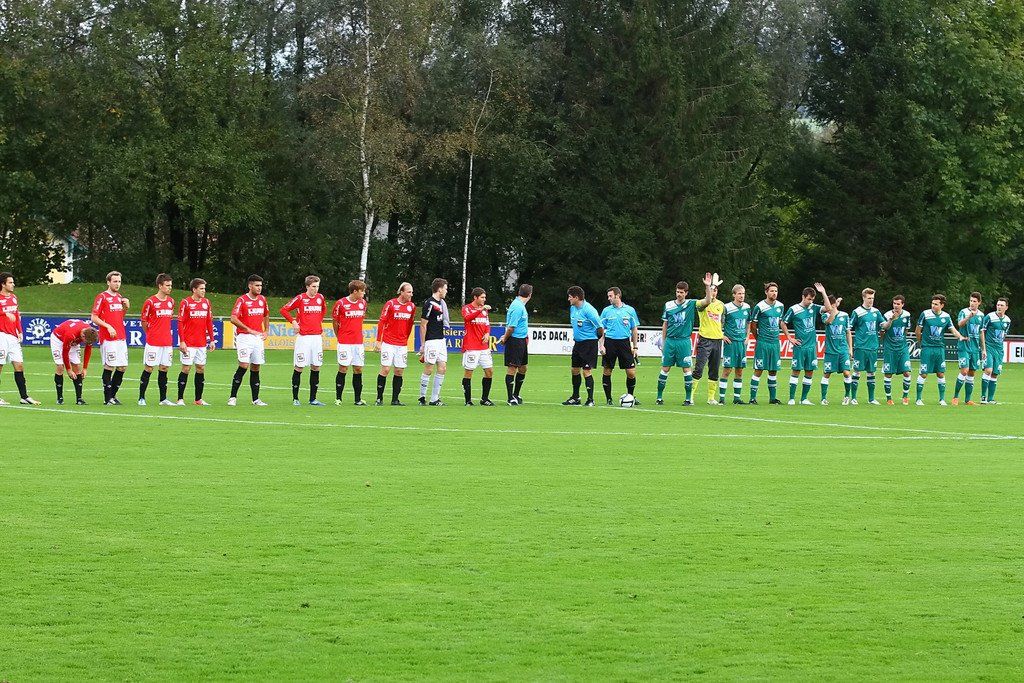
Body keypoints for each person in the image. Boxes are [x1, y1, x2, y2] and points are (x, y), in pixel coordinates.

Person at [280, 276, 327, 406]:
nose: (316, 289)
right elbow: (284, 310)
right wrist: (294, 322)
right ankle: (295, 398)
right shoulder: (300, 298)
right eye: (313, 286)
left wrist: (318, 322)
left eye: (317, 286)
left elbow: (323, 310)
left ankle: (313, 399)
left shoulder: (320, 298)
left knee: (316, 366)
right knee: (299, 366)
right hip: (304, 338)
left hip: (316, 337)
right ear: (307, 286)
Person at [915, 294, 965, 405]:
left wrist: (960, 337)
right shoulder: (925, 314)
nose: (933, 306)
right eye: (932, 303)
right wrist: (921, 343)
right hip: (927, 348)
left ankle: (942, 399)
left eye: (936, 304)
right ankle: (918, 399)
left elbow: (953, 330)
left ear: (942, 305)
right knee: (923, 373)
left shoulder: (946, 316)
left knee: (941, 373)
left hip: (939, 349)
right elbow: (918, 331)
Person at [0, 272, 41, 405]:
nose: (13, 284)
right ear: (3, 284)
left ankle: (24, 397)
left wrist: (20, 331)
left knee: (19, 366)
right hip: (1, 336)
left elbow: (17, 315)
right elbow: (6, 313)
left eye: (13, 282)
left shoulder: (14, 298)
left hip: (13, 337)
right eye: (10, 282)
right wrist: (4, 313)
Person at [656, 279, 699, 406]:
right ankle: (659, 397)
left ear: (686, 293)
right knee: (665, 368)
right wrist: (663, 342)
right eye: (677, 292)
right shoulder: (668, 305)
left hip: (684, 341)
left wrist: (708, 287)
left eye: (681, 292)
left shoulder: (691, 304)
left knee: (687, 369)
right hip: (670, 341)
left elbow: (707, 301)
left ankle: (688, 399)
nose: (679, 294)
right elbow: (665, 324)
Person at [229, 274, 270, 406]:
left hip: (258, 338)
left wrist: (266, 330)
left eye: (260, 285)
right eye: (257, 285)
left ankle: (256, 399)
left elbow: (266, 315)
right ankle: (232, 397)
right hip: (244, 337)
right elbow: (233, 318)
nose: (259, 288)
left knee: (256, 366)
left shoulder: (262, 299)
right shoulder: (242, 300)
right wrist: (248, 329)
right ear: (250, 286)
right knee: (244, 365)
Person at [91, 271, 130, 405]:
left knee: (122, 367)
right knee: (110, 366)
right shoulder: (102, 297)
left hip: (121, 336)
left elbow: (119, 316)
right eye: (115, 281)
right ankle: (107, 398)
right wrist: (108, 326)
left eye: (119, 281)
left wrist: (125, 308)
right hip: (108, 338)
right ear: (108, 282)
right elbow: (94, 317)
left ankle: (112, 396)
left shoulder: (119, 297)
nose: (117, 284)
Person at [176, 278, 216, 406]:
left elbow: (209, 321)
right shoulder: (186, 302)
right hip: (188, 343)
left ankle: (198, 399)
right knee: (186, 368)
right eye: (201, 288)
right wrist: (182, 341)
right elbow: (180, 322)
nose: (204, 291)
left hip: (201, 343)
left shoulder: (206, 302)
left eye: (204, 288)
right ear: (194, 289)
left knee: (200, 368)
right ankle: (180, 399)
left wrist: (212, 340)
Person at [375, 282, 416, 405]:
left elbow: (410, 324)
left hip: (402, 344)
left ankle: (395, 399)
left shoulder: (412, 307)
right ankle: (379, 398)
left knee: (399, 371)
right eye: (409, 292)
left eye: (412, 292)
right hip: (388, 342)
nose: (411, 294)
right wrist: (378, 341)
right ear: (401, 292)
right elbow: (382, 322)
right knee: (386, 369)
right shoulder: (391, 304)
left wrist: (405, 339)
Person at [781, 286, 823, 405]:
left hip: (811, 346)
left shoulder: (813, 307)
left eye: (812, 299)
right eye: (809, 299)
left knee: (809, 371)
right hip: (800, 346)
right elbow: (783, 323)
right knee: (796, 371)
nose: (810, 302)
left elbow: (829, 308)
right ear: (803, 297)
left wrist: (823, 292)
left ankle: (804, 399)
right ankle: (791, 398)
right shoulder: (794, 309)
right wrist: (789, 337)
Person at [138, 273, 175, 406]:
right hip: (153, 342)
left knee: (164, 368)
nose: (170, 288)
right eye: (167, 285)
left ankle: (163, 399)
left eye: (170, 285)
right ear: (160, 286)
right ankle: (141, 398)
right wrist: (150, 334)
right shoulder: (150, 302)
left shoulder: (171, 302)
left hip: (167, 342)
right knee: (149, 368)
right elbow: (144, 320)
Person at [600, 286, 641, 405]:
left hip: (624, 343)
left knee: (631, 372)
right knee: (607, 371)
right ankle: (609, 399)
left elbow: (634, 329)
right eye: (608, 296)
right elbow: (601, 329)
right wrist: (601, 345)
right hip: (610, 342)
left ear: (617, 296)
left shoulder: (630, 310)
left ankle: (631, 396)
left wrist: (635, 347)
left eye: (610, 296)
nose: (608, 298)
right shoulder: (606, 311)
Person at [562, 286, 603, 406]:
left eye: (570, 297)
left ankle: (590, 399)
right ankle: (576, 397)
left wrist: (596, 342)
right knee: (574, 370)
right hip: (578, 343)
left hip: (589, 344)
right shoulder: (573, 308)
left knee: (586, 371)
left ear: (576, 297)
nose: (568, 299)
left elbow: (600, 328)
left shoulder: (589, 310)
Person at [332, 279, 369, 405]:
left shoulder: (363, 303)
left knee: (358, 369)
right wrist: (339, 336)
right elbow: (335, 322)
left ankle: (358, 399)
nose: (364, 293)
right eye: (362, 291)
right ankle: (338, 398)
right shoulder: (341, 303)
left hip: (358, 342)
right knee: (343, 368)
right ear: (354, 291)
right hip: (345, 342)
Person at [749, 282, 784, 404]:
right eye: (772, 291)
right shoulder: (760, 306)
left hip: (775, 343)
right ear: (766, 292)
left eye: (776, 291)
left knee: (773, 370)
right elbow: (753, 325)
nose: (774, 293)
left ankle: (772, 398)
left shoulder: (780, 306)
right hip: (763, 343)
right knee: (759, 370)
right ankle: (752, 398)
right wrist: (758, 338)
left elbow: (779, 322)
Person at [693, 274, 725, 404]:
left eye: (715, 290)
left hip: (717, 340)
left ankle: (711, 398)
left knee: (714, 370)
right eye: (711, 290)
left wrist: (721, 333)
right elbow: (706, 302)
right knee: (699, 369)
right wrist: (708, 286)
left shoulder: (721, 305)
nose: (713, 292)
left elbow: (722, 321)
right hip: (705, 339)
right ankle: (690, 396)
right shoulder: (700, 303)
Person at [849, 288, 885, 405]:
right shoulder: (857, 312)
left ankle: (871, 399)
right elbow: (848, 327)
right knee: (857, 372)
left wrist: (890, 320)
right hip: (861, 347)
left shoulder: (876, 312)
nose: (871, 300)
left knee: (871, 373)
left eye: (873, 298)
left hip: (873, 347)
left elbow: (883, 325)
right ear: (863, 297)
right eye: (869, 298)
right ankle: (853, 398)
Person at [418, 278, 450, 406]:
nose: (446, 291)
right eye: (445, 289)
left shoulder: (441, 303)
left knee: (442, 368)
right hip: (431, 341)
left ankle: (434, 399)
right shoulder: (429, 303)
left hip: (441, 340)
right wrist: (423, 344)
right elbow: (423, 324)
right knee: (429, 368)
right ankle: (422, 397)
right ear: (440, 289)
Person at [50, 319, 98, 405]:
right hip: (58, 340)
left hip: (74, 341)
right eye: (85, 342)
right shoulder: (70, 335)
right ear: (83, 336)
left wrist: (85, 368)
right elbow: (65, 353)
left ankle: (79, 398)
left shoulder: (90, 333)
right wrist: (69, 370)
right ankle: (60, 398)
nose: (86, 343)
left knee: (76, 366)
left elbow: (88, 350)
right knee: (60, 366)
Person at [499, 284, 532, 405]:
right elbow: (511, 327)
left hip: (521, 340)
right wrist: (505, 338)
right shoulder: (517, 306)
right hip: (515, 340)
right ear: (530, 295)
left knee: (523, 368)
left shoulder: (520, 305)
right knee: (512, 367)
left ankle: (516, 394)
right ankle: (510, 398)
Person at [462, 287, 495, 406]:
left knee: (489, 371)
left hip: (483, 346)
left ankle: (484, 399)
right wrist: (480, 309)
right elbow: (467, 318)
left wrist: (487, 333)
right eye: (482, 297)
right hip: (471, 346)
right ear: (475, 297)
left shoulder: (484, 311)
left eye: (485, 297)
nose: (484, 299)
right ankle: (468, 401)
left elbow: (487, 324)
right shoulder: (467, 308)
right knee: (469, 372)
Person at [819, 293, 854, 405]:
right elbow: (829, 321)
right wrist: (833, 310)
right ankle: (823, 398)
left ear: (832, 304)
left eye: (827, 304)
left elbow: (848, 332)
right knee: (827, 373)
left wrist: (850, 349)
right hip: (830, 350)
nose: (825, 307)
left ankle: (847, 396)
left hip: (843, 349)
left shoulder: (845, 315)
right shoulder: (825, 315)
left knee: (846, 373)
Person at [879, 294, 913, 405]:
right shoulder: (887, 315)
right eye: (894, 303)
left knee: (906, 372)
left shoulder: (907, 315)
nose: (896, 306)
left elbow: (906, 330)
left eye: (898, 304)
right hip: (890, 349)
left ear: (903, 304)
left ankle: (905, 397)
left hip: (902, 348)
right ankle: (889, 398)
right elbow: (883, 331)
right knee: (888, 374)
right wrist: (891, 320)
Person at [720, 284, 751, 404]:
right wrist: (722, 335)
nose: (742, 296)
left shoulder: (747, 307)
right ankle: (722, 398)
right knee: (727, 370)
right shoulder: (727, 307)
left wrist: (747, 336)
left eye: (743, 293)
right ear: (734, 295)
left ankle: (737, 398)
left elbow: (748, 322)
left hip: (741, 343)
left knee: (739, 370)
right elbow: (719, 322)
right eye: (739, 294)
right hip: (730, 343)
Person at [953, 292, 985, 405]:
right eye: (971, 301)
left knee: (971, 372)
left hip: (975, 348)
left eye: (974, 301)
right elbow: (960, 324)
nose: (972, 303)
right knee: (964, 370)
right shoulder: (964, 312)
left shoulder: (981, 315)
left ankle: (968, 400)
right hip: (964, 346)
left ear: (979, 303)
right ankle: (955, 397)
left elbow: (981, 332)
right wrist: (968, 317)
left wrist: (984, 349)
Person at [980, 297, 1011, 404]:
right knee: (988, 370)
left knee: (995, 373)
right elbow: (982, 331)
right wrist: (983, 349)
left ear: (1006, 307)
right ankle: (983, 397)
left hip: (999, 349)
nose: (999, 307)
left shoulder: (1008, 320)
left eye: (1002, 305)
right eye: (998, 305)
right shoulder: (990, 317)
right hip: (989, 347)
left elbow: (1004, 334)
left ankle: (990, 399)